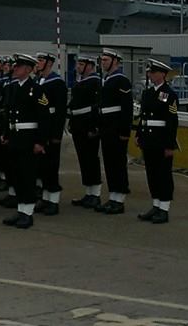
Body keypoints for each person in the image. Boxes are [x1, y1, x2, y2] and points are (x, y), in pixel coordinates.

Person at [0, 54, 44, 229]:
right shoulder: (12, 87)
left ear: (28, 69)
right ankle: (20, 210)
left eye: (18, 66)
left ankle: (28, 213)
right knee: (16, 175)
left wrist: (40, 141)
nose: (14, 69)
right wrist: (5, 133)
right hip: (15, 137)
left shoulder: (36, 89)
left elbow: (43, 117)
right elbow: (8, 112)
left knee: (27, 176)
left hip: (28, 138)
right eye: (15, 66)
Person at [136, 59, 179, 224]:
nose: (150, 75)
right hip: (149, 138)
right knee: (152, 173)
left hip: (161, 139)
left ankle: (164, 208)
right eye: (149, 72)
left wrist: (169, 145)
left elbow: (172, 121)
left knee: (163, 174)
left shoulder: (169, 94)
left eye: (153, 72)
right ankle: (155, 205)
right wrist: (139, 134)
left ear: (162, 74)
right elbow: (143, 116)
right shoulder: (148, 93)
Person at [95, 49, 134, 214]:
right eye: (102, 60)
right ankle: (112, 197)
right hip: (106, 127)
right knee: (110, 163)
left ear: (115, 61)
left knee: (118, 163)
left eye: (106, 60)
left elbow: (127, 108)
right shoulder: (106, 80)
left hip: (117, 127)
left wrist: (125, 131)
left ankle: (120, 200)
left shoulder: (121, 81)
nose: (102, 62)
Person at [33, 52, 67, 216]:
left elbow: (60, 111)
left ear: (49, 63)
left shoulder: (57, 83)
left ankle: (53, 200)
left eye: (40, 60)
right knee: (42, 167)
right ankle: (45, 198)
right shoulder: (39, 81)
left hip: (52, 128)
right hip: (41, 128)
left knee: (52, 166)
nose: (37, 63)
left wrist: (57, 135)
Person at [69, 55, 102, 208]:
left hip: (88, 125)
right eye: (78, 64)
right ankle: (88, 192)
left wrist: (94, 127)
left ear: (90, 66)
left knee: (91, 159)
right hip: (78, 125)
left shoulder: (95, 82)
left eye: (81, 64)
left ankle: (95, 194)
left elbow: (96, 106)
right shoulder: (80, 82)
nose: (78, 67)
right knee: (83, 159)